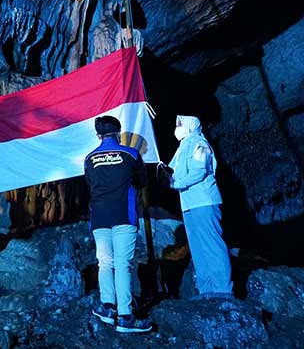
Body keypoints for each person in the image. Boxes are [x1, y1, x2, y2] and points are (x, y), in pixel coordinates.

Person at [84, 116, 152, 333]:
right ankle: (125, 316)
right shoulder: (130, 154)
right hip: (124, 213)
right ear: (118, 133)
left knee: (104, 262)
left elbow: (89, 184)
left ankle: (107, 306)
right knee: (123, 263)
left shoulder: (89, 158)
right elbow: (142, 181)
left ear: (98, 136)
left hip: (99, 216)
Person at [166, 115, 233, 299]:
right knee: (197, 247)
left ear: (190, 126)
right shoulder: (183, 147)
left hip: (204, 201)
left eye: (180, 124)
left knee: (212, 244)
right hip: (189, 203)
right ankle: (206, 290)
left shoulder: (199, 143)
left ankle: (223, 289)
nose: (177, 127)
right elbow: (174, 172)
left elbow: (199, 170)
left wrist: (176, 184)